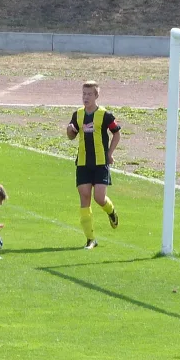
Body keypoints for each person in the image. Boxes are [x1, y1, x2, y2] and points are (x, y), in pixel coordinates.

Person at [66, 81, 121, 249]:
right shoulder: (78, 115)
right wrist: (69, 130)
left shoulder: (105, 115)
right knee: (84, 196)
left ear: (96, 96)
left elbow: (116, 133)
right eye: (84, 94)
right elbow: (71, 136)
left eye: (89, 94)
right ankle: (90, 239)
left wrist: (109, 154)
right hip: (83, 162)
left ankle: (111, 211)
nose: (86, 97)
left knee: (99, 197)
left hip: (100, 163)